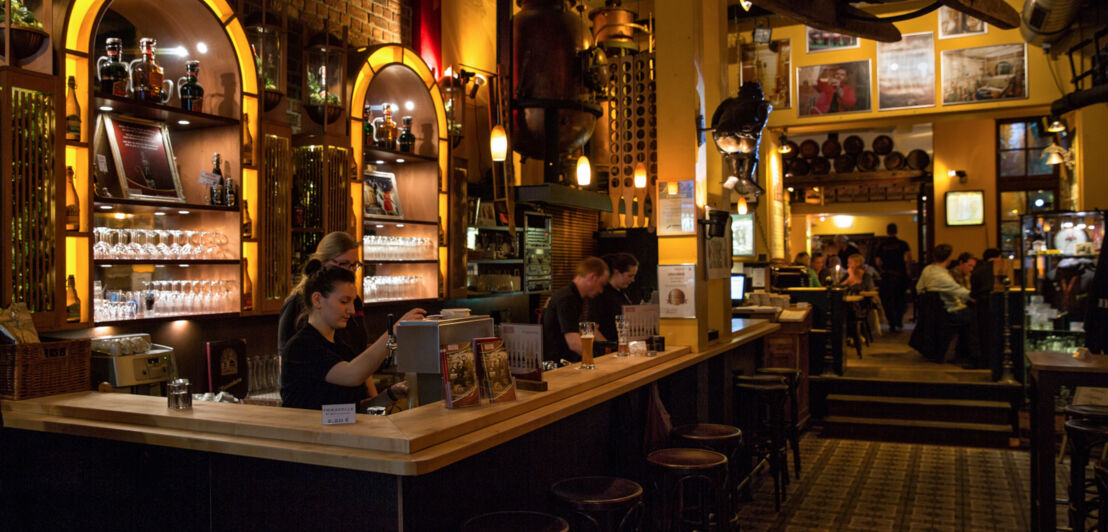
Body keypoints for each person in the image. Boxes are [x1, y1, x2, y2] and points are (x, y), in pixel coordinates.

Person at [278, 231, 411, 405]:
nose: (351, 310)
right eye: (344, 301)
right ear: (317, 299)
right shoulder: (302, 347)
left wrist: (388, 396)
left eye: (354, 265)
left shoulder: (342, 348)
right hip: (311, 432)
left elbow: (353, 408)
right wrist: (393, 332)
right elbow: (352, 375)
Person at [543, 257, 610, 362]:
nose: (601, 291)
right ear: (592, 277)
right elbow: (574, 343)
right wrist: (599, 362)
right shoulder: (567, 298)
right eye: (601, 285)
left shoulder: (574, 296)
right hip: (559, 366)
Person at [916, 244, 973, 366]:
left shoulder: (927, 270)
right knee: (975, 317)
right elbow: (961, 292)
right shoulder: (942, 276)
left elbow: (919, 288)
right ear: (949, 258)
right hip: (950, 311)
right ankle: (965, 353)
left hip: (935, 312)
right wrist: (975, 296)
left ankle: (961, 352)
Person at [588, 252, 639, 343]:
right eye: (630, 276)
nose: (633, 280)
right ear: (617, 272)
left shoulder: (623, 293)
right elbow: (591, 328)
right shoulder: (601, 294)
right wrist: (609, 347)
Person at [873, 223, 911, 332]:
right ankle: (898, 320)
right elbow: (908, 258)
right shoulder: (903, 244)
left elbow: (877, 261)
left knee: (887, 300)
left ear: (887, 231)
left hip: (887, 275)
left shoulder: (882, 245)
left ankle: (891, 322)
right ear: (896, 231)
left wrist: (882, 270)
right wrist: (907, 270)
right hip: (900, 275)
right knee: (900, 299)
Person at [970, 248, 1002, 369]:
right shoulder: (1002, 269)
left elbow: (973, 292)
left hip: (982, 304)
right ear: (998, 257)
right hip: (999, 302)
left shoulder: (978, 271)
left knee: (983, 333)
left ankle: (984, 360)